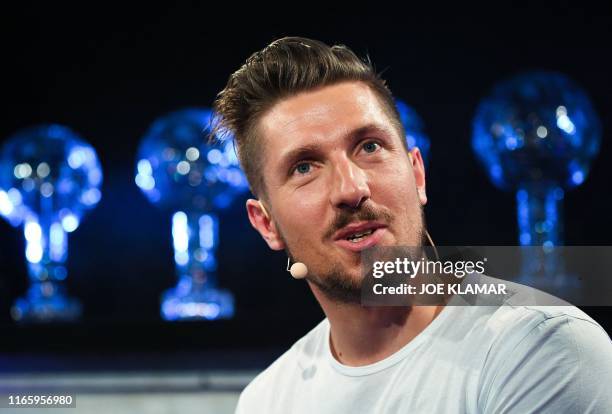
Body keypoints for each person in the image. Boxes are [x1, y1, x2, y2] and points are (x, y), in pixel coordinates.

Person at [212, 37, 612, 413]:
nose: (351, 189)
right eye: (304, 167)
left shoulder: (543, 348)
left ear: (417, 175)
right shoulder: (267, 400)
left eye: (369, 147)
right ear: (267, 225)